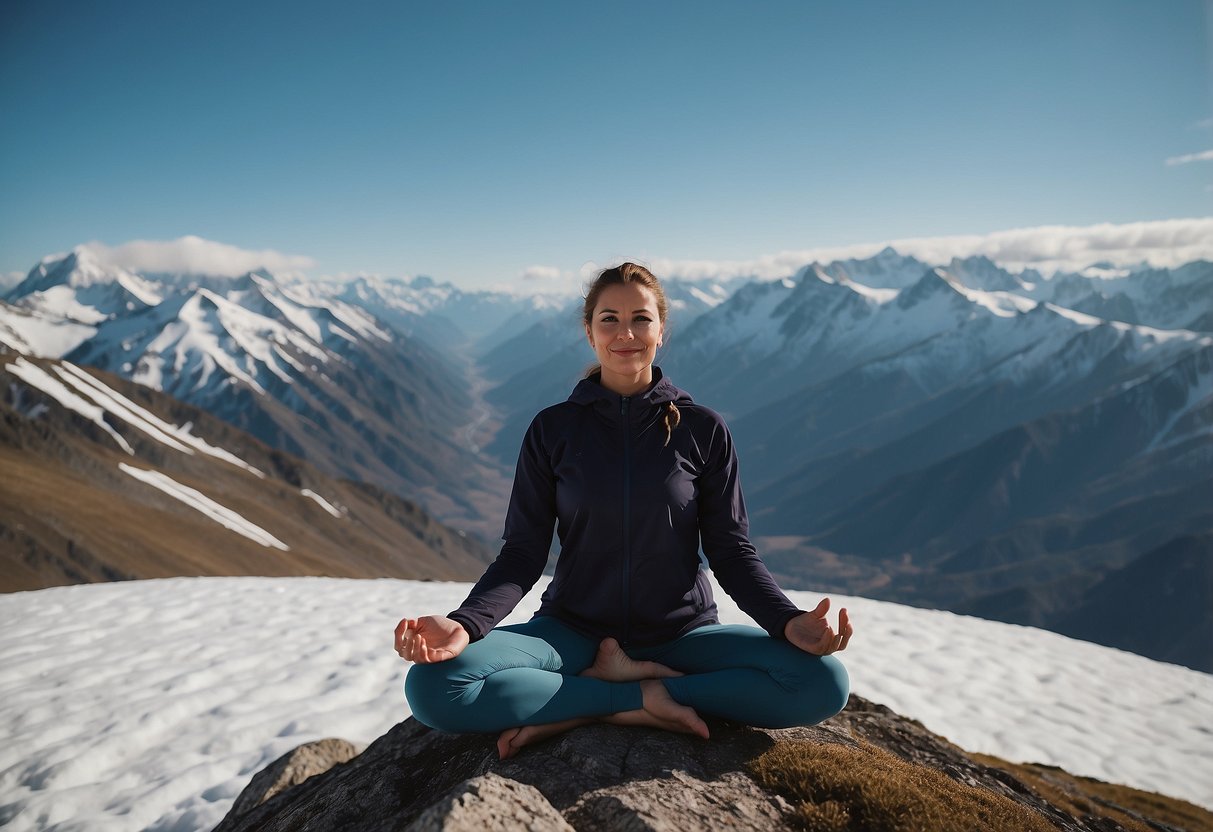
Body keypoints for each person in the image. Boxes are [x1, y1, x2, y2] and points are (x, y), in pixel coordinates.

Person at [396, 262, 852, 761]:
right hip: (572, 632)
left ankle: (581, 703)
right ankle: (638, 697)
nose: (626, 334)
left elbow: (731, 550)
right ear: (589, 331)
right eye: (609, 319)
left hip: (683, 635)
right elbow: (524, 552)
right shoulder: (553, 430)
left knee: (823, 681)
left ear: (662, 330)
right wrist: (466, 625)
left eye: (641, 318)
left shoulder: (703, 429)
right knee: (434, 686)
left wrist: (789, 622)